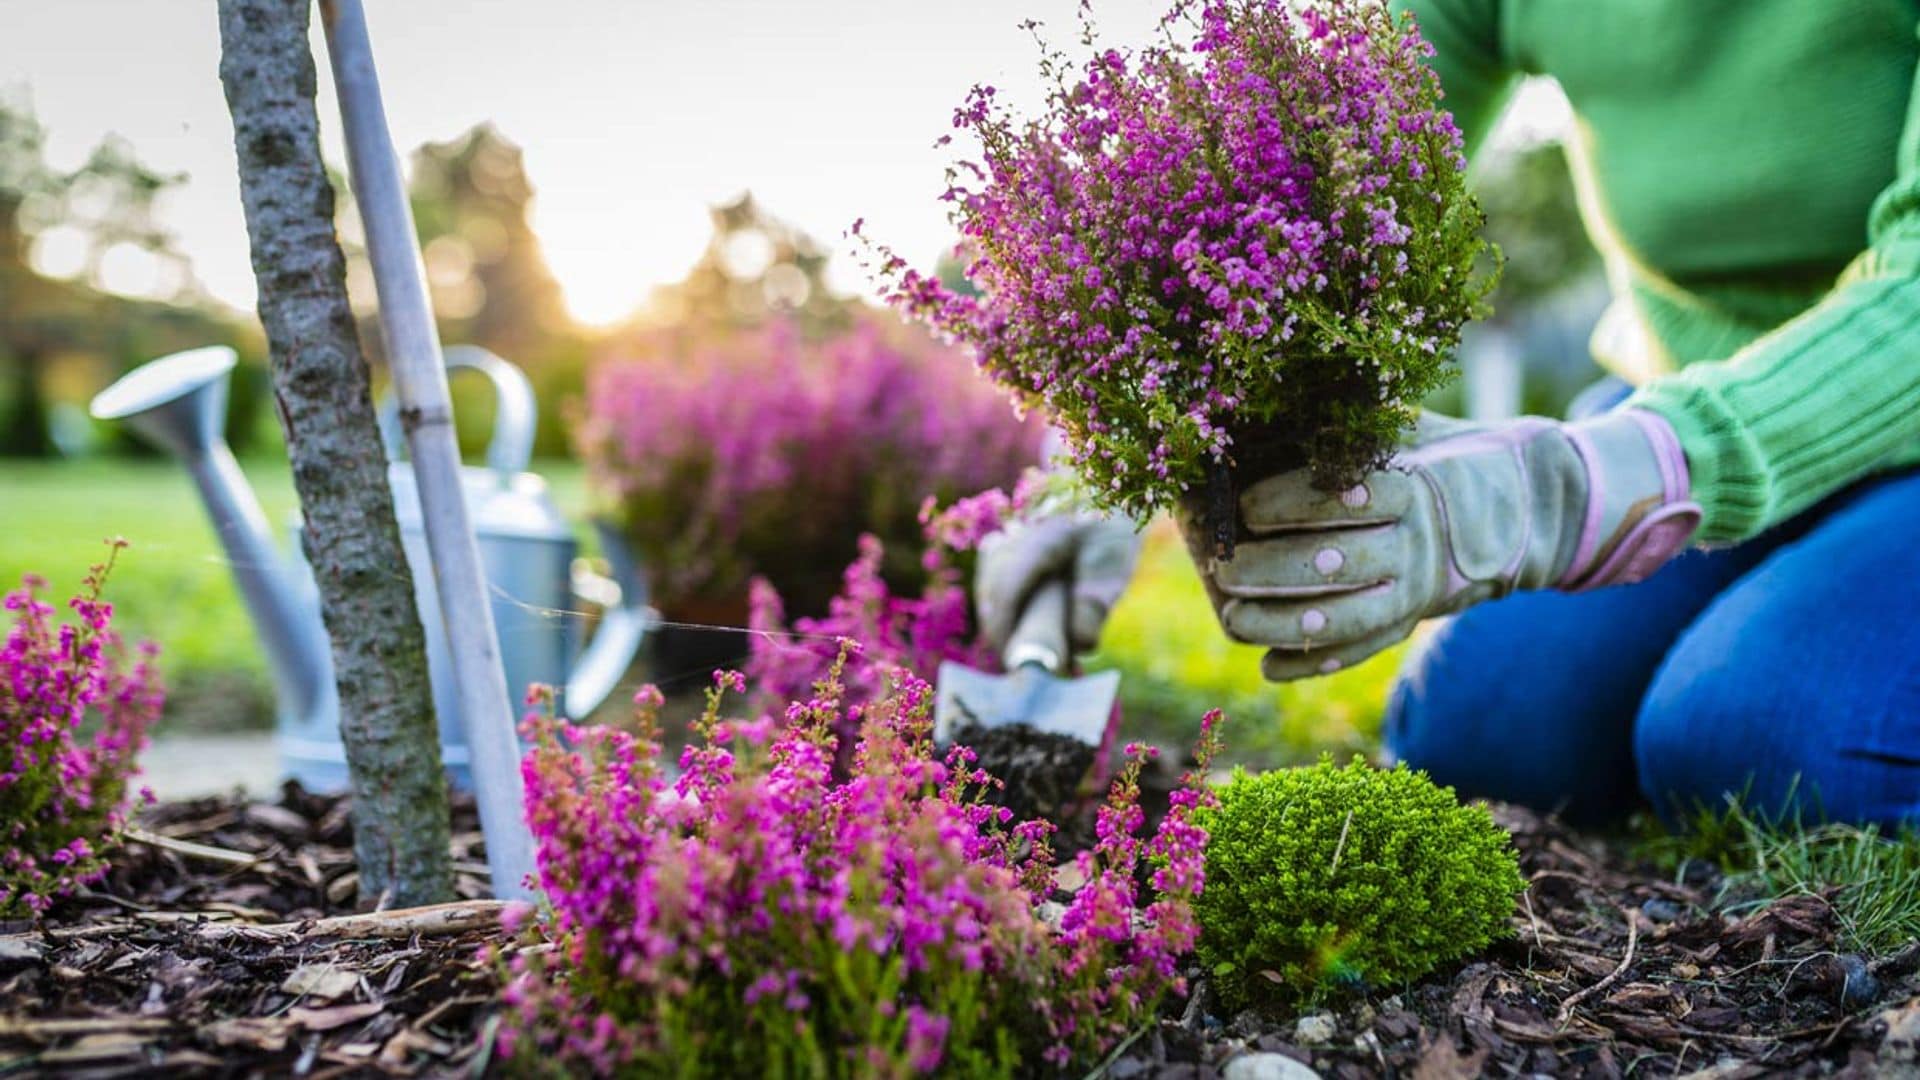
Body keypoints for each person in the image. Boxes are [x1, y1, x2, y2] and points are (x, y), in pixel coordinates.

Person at [978, 0, 1920, 828]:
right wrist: (1104, 455)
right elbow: (1294, 181)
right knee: (1481, 728)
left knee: (1754, 737)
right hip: (1678, 392)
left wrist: (1566, 490)